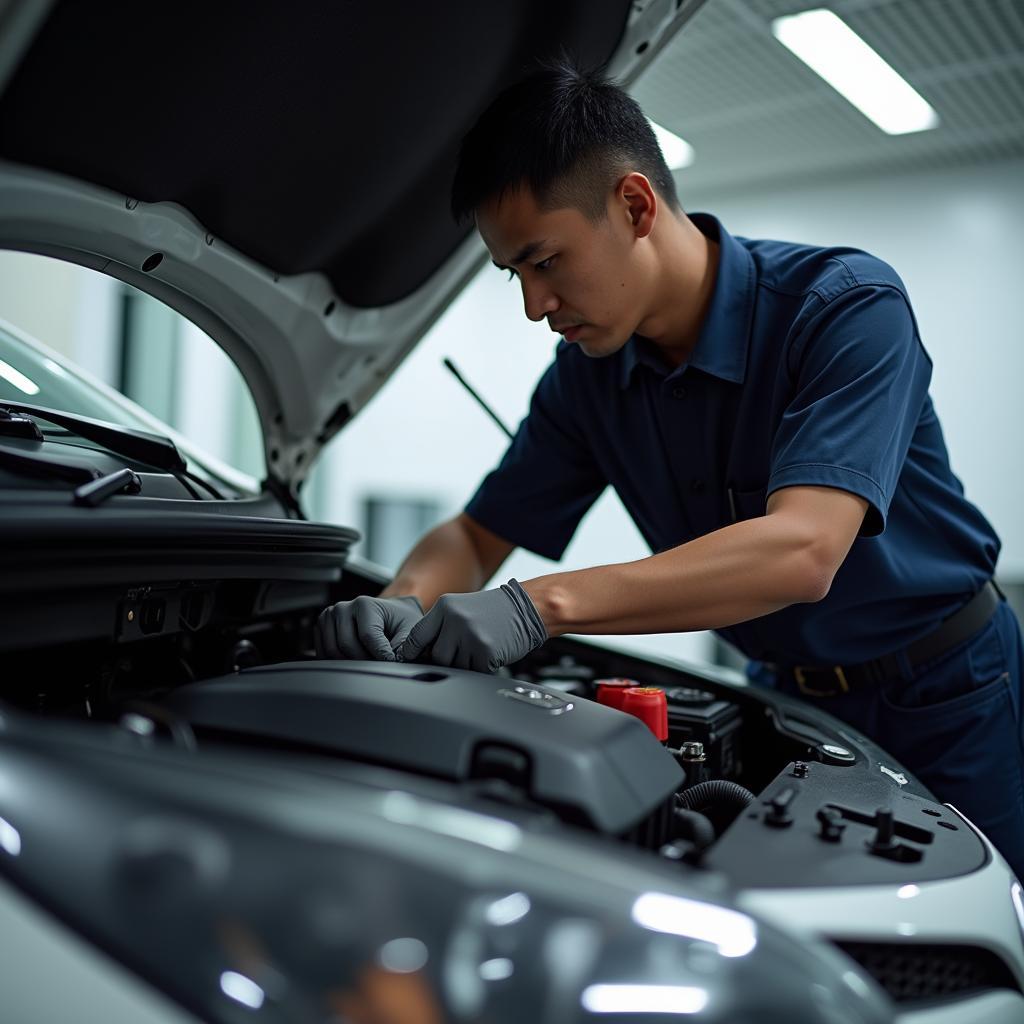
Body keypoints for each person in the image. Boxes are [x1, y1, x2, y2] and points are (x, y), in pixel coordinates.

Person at [316, 59, 1023, 878]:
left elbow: (803, 551)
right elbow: (477, 535)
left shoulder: (845, 308)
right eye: (514, 274)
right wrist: (402, 604)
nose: (533, 306)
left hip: (946, 693)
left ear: (635, 204)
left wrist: (539, 607)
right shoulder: (591, 379)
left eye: (545, 262)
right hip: (787, 703)